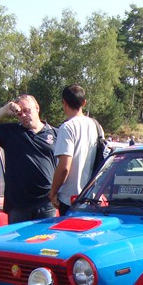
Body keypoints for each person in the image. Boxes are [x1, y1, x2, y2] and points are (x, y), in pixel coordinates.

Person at [0, 95, 57, 223]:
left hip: (46, 203)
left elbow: (65, 165)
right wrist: (4, 110)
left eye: (26, 110)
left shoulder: (55, 134)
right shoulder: (11, 132)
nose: (23, 115)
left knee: (45, 242)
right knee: (18, 243)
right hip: (19, 205)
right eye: (19, 113)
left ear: (37, 108)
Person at [49, 84, 99, 216]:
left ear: (64, 103)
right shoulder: (96, 125)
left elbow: (65, 167)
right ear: (84, 103)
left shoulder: (67, 128)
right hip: (92, 196)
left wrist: (53, 192)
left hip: (70, 198)